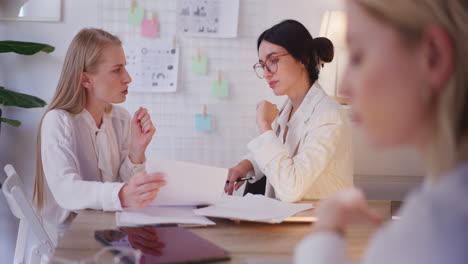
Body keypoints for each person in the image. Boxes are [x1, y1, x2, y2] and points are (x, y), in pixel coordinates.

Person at [295, 0, 468, 263]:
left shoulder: (431, 233)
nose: (344, 86)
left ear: (433, 56)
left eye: (358, 56)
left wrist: (326, 232)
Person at [33, 28, 166, 233]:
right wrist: (121, 194)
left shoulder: (120, 118)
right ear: (86, 80)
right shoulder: (58, 121)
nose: (128, 78)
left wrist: (136, 151)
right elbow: (66, 190)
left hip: (110, 227)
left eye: (125, 68)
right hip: (71, 235)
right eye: (117, 69)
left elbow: (123, 187)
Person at [225, 20, 353, 202]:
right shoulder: (287, 109)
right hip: (286, 222)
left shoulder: (329, 115)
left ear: (304, 59)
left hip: (320, 223)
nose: (267, 73)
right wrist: (246, 165)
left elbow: (291, 189)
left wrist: (264, 126)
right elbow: (279, 157)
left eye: (274, 60)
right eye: (262, 65)